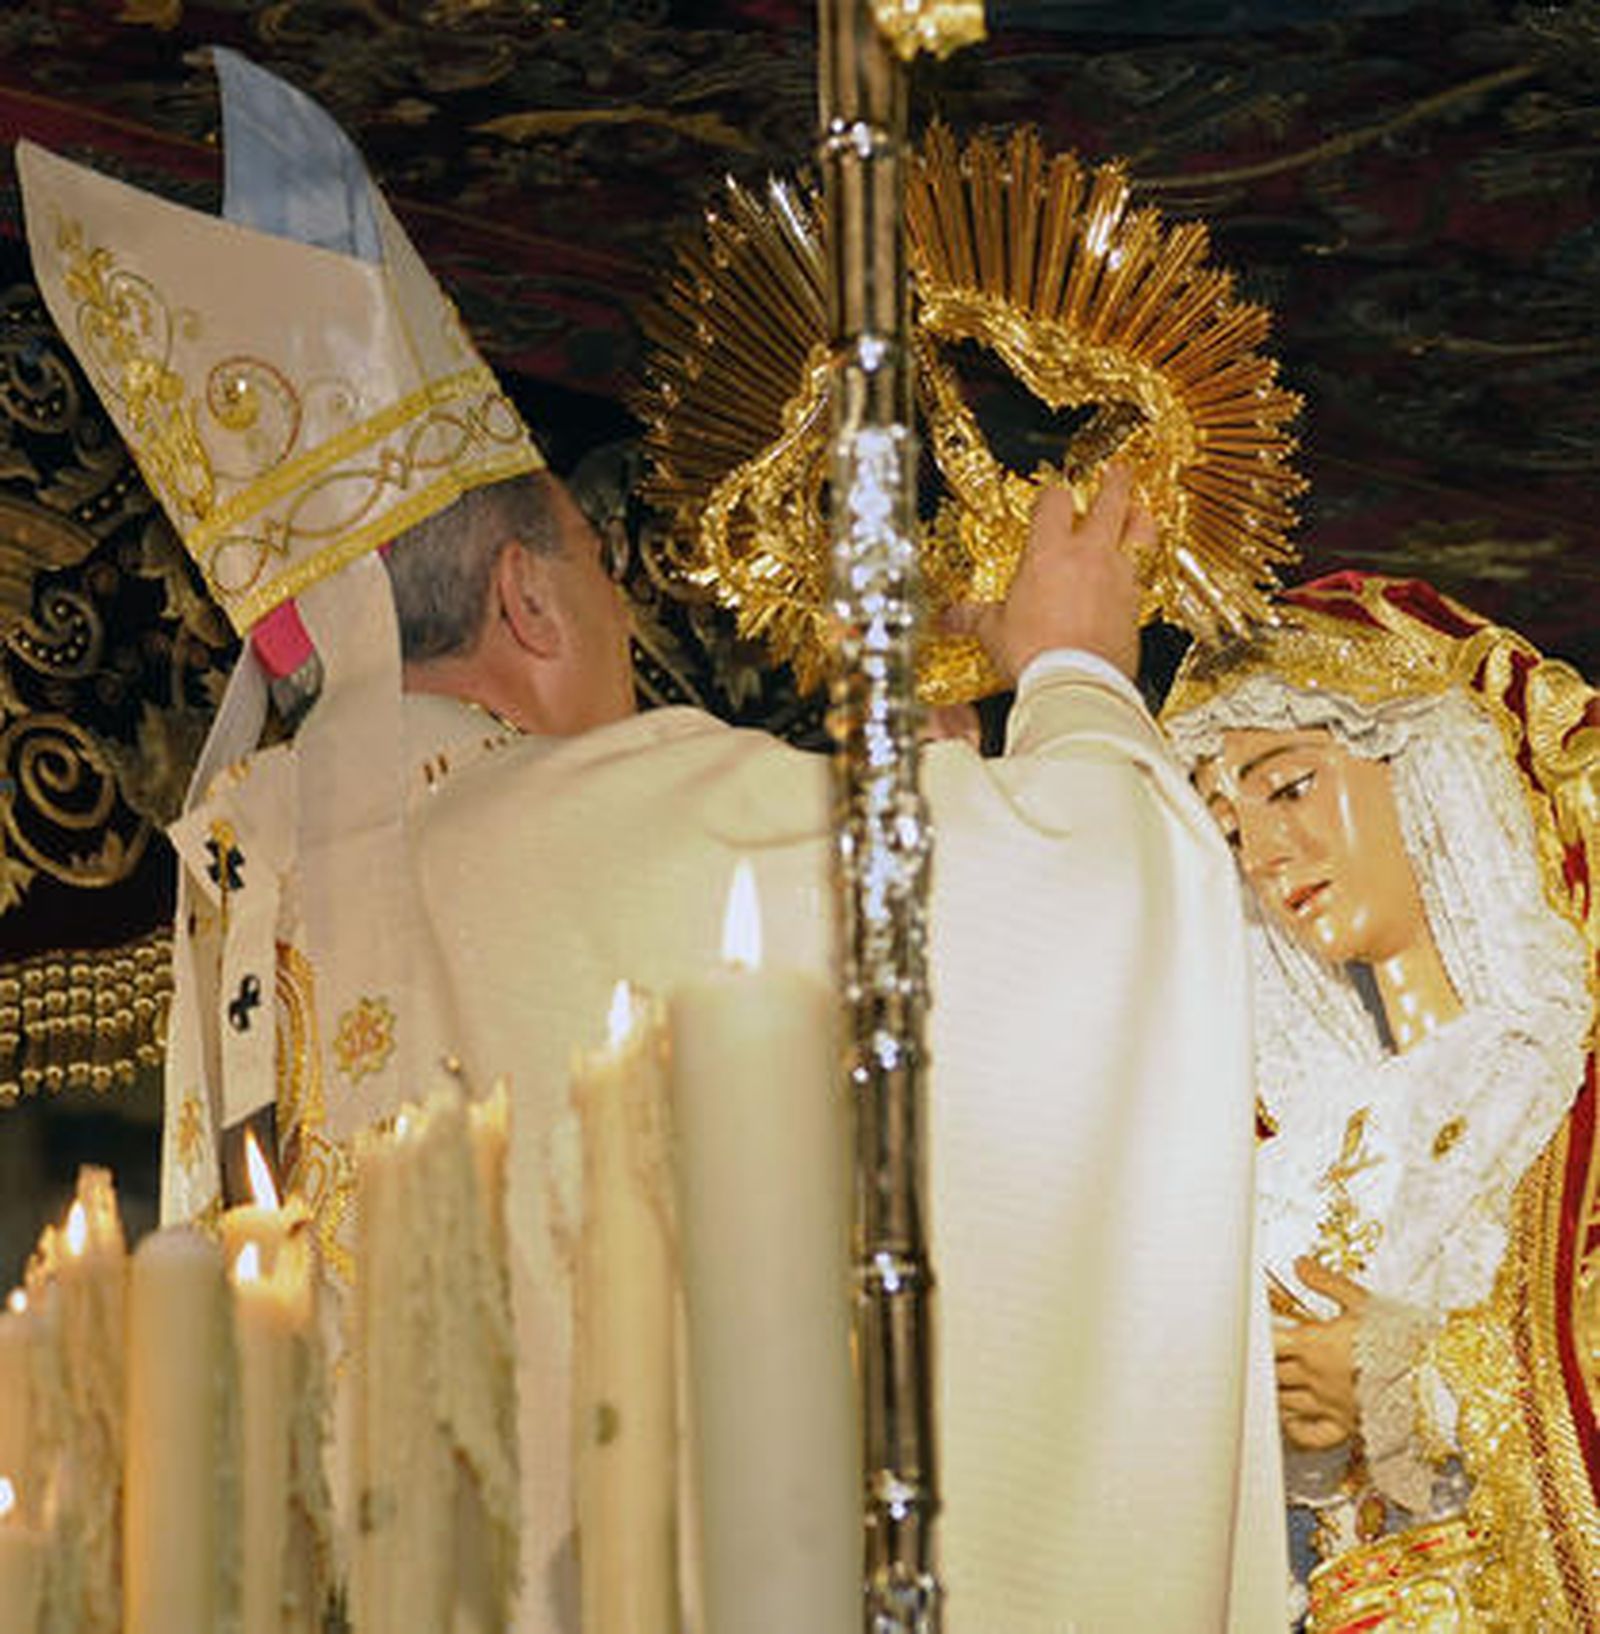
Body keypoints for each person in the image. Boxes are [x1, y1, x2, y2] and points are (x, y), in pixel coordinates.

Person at [20, 51, 1287, 1633]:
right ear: (529, 599)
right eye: (608, 589)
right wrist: (1077, 671)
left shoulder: (249, 907)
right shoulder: (576, 812)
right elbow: (1071, 917)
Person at [1162, 573, 1596, 1629]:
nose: (1265, 855)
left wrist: (1413, 1378)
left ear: (1427, 766)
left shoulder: (1561, 1082)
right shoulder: (1291, 1158)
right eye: (1228, 829)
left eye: (1288, 784)